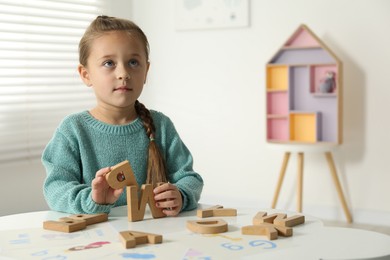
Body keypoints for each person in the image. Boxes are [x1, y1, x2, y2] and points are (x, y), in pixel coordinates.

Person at [42, 15, 203, 216]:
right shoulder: (73, 130)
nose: (123, 73)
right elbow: (56, 189)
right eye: (109, 63)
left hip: (156, 236)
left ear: (146, 71)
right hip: (95, 240)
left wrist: (181, 194)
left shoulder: (160, 125)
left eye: (133, 62)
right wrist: (92, 199)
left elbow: (189, 177)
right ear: (86, 75)